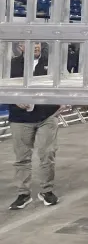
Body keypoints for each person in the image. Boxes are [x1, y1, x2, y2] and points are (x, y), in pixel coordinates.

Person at [7, 42, 61, 210]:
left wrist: (63, 102)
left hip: (47, 115)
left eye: (37, 42)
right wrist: (14, 99)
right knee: (22, 158)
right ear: (21, 47)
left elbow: (65, 83)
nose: (35, 46)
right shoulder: (11, 65)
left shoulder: (52, 63)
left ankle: (47, 190)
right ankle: (23, 194)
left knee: (47, 153)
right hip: (20, 118)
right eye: (30, 43)